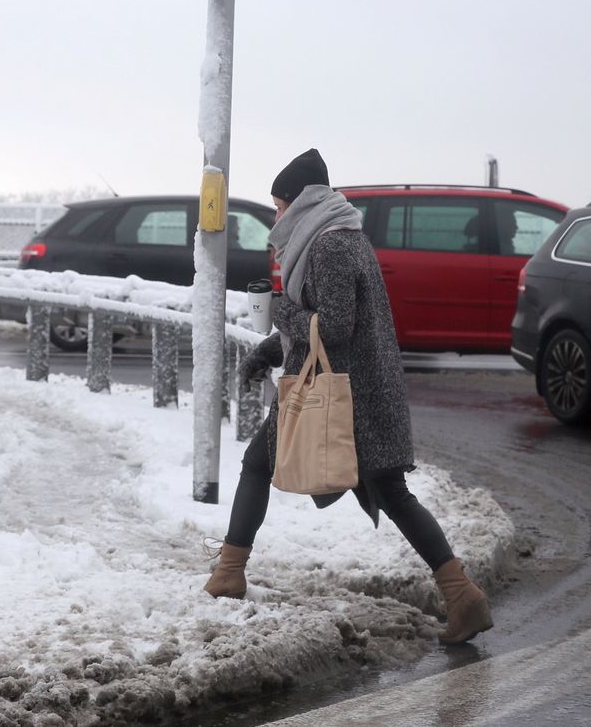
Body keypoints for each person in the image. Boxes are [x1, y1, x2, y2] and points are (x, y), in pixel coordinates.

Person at [203, 148, 494, 645]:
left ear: (301, 202)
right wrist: (274, 351)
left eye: (278, 206)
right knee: (391, 493)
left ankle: (230, 571)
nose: (276, 216)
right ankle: (461, 594)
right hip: (355, 389)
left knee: (260, 464)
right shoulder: (336, 237)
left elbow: (333, 328)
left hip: (344, 396)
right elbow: (326, 323)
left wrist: (278, 314)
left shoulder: (330, 246)